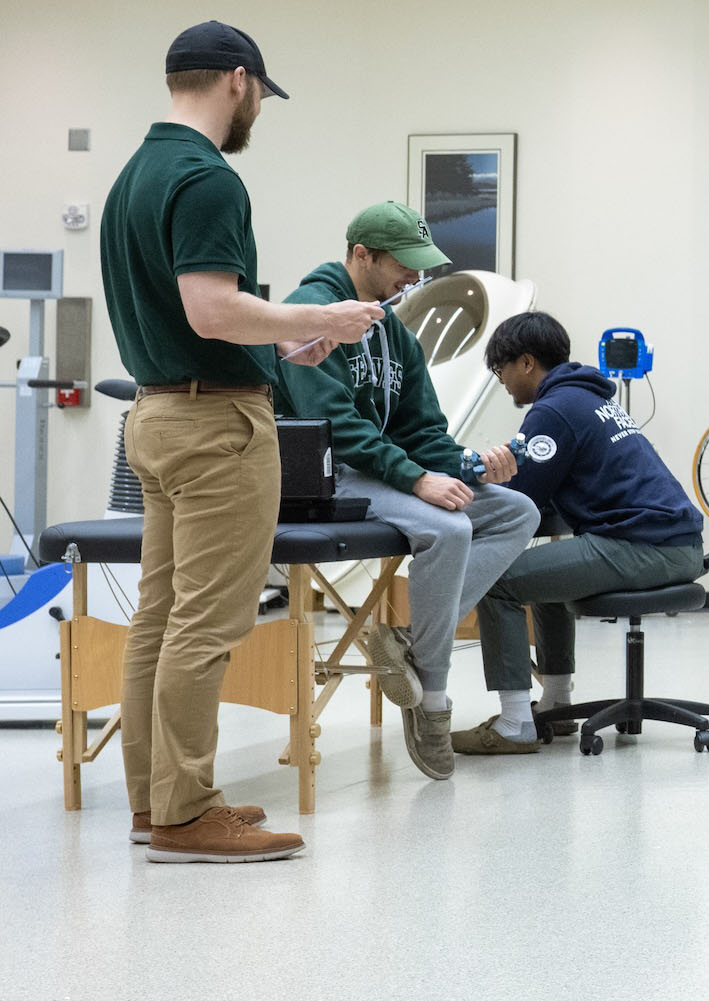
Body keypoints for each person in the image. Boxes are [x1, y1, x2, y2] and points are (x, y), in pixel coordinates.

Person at [99, 21, 377, 862]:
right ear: (236, 80)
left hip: (155, 415)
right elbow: (210, 308)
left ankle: (155, 801)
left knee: (158, 617)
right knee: (206, 623)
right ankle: (188, 813)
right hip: (215, 430)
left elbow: (193, 320)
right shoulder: (207, 177)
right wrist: (319, 316)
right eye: (259, 92)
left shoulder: (133, 176)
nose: (258, 107)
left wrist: (282, 343)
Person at [271, 201, 539, 779]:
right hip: (328, 475)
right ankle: (435, 698)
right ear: (360, 255)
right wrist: (419, 479)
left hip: (385, 472)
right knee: (449, 526)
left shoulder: (395, 334)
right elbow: (338, 428)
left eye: (422, 266)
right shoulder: (309, 311)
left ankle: (410, 641)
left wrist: (469, 466)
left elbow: (422, 432)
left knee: (517, 512)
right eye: (405, 265)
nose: (414, 279)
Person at [459, 312, 708, 755]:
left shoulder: (553, 410)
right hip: (677, 544)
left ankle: (515, 724)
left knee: (498, 579)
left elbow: (522, 498)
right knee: (546, 569)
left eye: (502, 370)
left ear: (528, 362)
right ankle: (555, 703)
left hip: (642, 546)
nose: (503, 382)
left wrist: (470, 483)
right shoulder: (591, 399)